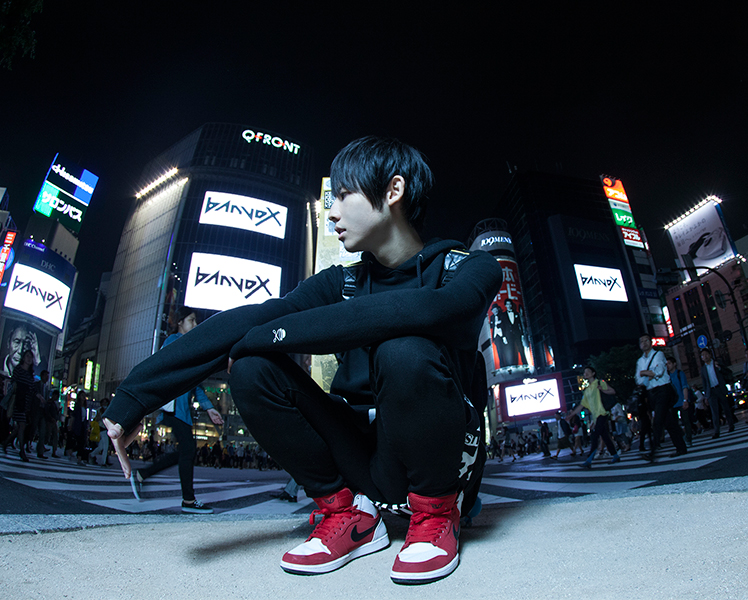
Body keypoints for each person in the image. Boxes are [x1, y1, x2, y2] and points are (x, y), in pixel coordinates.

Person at [102, 136, 502, 585]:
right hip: (359, 456)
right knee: (252, 367)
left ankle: (436, 514)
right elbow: (253, 318)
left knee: (403, 348)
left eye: (344, 196)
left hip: (439, 463)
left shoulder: (467, 267)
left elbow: (433, 311)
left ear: (393, 191)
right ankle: (348, 514)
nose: (332, 213)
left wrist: (274, 334)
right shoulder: (342, 283)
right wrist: (134, 398)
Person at [129, 307, 224, 513]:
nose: (195, 324)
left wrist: (209, 408)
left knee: (186, 452)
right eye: (191, 320)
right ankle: (188, 501)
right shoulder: (173, 341)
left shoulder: (189, 345)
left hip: (182, 411)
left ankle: (143, 475)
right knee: (188, 450)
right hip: (172, 408)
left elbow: (195, 385)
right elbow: (163, 367)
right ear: (180, 322)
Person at [635, 334, 687, 460]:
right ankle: (681, 447)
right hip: (651, 393)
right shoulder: (640, 361)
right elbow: (638, 379)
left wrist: (644, 373)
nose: (644, 343)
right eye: (642, 341)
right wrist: (648, 374)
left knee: (657, 420)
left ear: (651, 342)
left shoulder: (658, 355)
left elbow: (659, 372)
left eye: (646, 340)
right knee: (668, 422)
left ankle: (653, 451)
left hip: (663, 390)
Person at [567, 367, 620, 468]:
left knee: (594, 436)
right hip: (596, 416)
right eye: (584, 372)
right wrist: (571, 414)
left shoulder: (600, 383)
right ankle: (615, 455)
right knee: (605, 436)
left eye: (588, 372)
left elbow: (613, 391)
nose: (585, 374)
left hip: (603, 413)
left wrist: (603, 390)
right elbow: (582, 405)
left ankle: (589, 460)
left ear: (593, 373)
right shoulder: (587, 390)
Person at [2, 349, 38, 461]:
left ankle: (6, 442)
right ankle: (21, 451)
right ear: (23, 358)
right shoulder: (18, 369)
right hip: (17, 400)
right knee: (21, 426)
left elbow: (32, 389)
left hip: (25, 402)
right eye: (27, 356)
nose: (29, 358)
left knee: (20, 427)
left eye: (30, 357)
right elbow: (12, 383)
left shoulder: (30, 373)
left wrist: (37, 397)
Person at [699, 348, 736, 438]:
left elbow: (727, 371)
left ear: (710, 355)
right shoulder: (703, 369)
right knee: (714, 412)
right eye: (702, 355)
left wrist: (719, 368)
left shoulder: (716, 363)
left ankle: (731, 425)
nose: (705, 356)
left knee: (726, 408)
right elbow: (704, 383)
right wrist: (706, 396)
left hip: (720, 388)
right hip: (711, 391)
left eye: (706, 354)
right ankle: (716, 431)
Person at [666, 356, 693, 448]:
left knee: (686, 421)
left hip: (681, 400)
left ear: (674, 364)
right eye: (666, 364)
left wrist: (685, 400)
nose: (668, 366)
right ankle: (682, 436)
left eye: (669, 363)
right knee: (673, 423)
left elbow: (684, 387)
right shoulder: (667, 377)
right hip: (673, 403)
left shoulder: (679, 374)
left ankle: (688, 438)